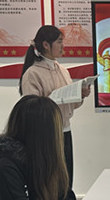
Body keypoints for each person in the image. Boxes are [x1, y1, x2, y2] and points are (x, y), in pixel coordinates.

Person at [20, 25, 90, 187]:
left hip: (65, 130)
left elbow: (71, 104)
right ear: (46, 45)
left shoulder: (63, 70)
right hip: (46, 135)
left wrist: (80, 94)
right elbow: (30, 108)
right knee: (49, 181)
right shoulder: (32, 73)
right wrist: (51, 100)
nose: (63, 46)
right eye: (59, 42)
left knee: (67, 179)